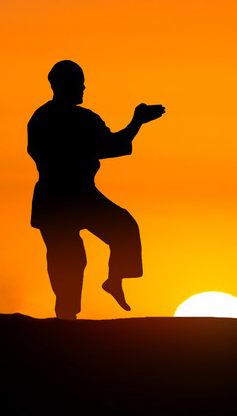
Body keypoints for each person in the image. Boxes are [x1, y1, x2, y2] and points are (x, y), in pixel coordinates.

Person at [28, 60, 165, 320]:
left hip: (81, 194)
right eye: (78, 83)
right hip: (57, 196)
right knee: (68, 259)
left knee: (124, 226)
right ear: (61, 85)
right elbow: (107, 147)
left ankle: (114, 280)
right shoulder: (45, 118)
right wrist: (135, 123)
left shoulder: (83, 118)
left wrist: (137, 123)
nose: (83, 88)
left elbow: (112, 145)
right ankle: (66, 316)